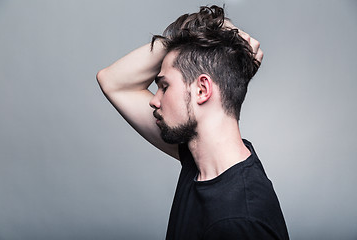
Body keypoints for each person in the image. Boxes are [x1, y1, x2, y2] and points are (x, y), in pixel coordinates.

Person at [97, 5, 289, 240]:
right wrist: (196, 34)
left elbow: (116, 84)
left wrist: (194, 34)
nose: (154, 101)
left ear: (202, 90)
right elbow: (112, 81)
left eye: (164, 86)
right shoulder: (199, 159)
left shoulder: (240, 222)